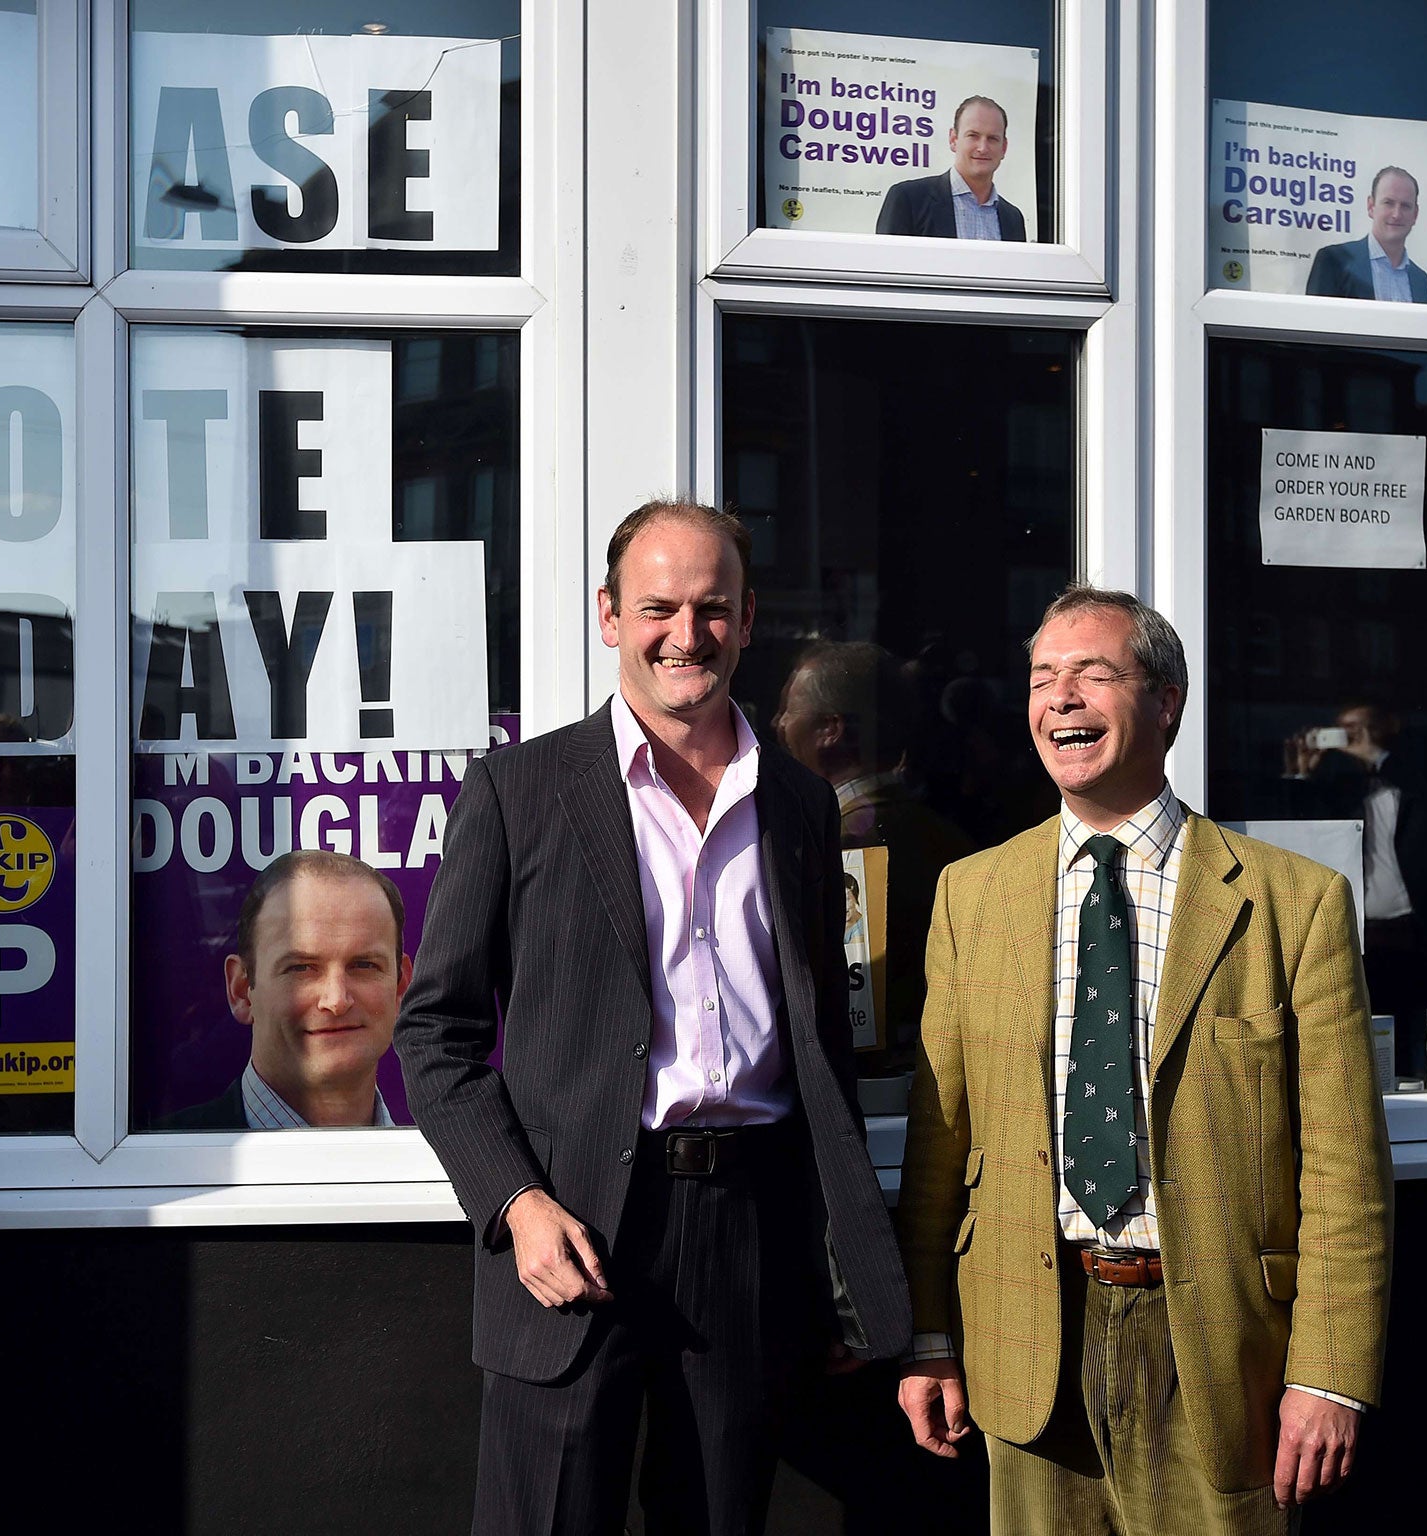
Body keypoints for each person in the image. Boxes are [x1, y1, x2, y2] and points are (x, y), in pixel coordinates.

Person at [398, 500, 910, 1535]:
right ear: (607, 615)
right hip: (574, 1230)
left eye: (712, 607)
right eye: (658, 607)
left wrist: (841, 1254)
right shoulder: (518, 789)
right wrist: (514, 1203)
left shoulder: (802, 806)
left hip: (751, 1233)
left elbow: (818, 1049)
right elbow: (434, 1033)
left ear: (749, 617)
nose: (688, 634)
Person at [894, 585, 1392, 1534]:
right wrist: (926, 1333)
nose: (1060, 699)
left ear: (1167, 701)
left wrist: (1331, 1372)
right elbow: (939, 1139)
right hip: (1027, 1332)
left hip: (1219, 1345)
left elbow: (1344, 1169)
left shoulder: (1297, 905)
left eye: (1093, 674)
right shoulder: (973, 893)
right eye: (1042, 678)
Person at [772, 640, 973, 1063]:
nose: (778, 724)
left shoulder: (850, 844)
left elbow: (860, 1017)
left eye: (790, 711)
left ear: (830, 729)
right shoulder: (942, 835)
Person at [161, 849, 408, 1130]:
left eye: (364, 965)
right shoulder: (156, 1166)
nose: (337, 1000)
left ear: (401, 986)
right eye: (301, 968)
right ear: (242, 990)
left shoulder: (446, 1159)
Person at [1286, 705, 1427, 1083]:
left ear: (1383, 729)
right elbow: (1303, 832)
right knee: (1356, 1035)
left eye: (1359, 728)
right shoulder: (1342, 789)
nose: (1350, 736)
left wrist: (1375, 755)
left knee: (1415, 1035)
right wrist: (1301, 773)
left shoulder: (1414, 776)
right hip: (1359, 931)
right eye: (1342, 729)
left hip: (1412, 929)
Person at [876, 97, 1027, 242]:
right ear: (953, 140)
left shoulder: (1012, 219)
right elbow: (886, 264)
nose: (983, 148)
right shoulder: (908, 200)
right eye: (973, 136)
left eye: (992, 138)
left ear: (1004, 148)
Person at [1305, 166, 1427, 303]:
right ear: (1371, 207)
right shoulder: (1333, 262)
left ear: (1415, 214)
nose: (1396, 214)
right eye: (1388, 203)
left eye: (1405, 206)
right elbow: (1315, 322)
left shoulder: (1421, 281)